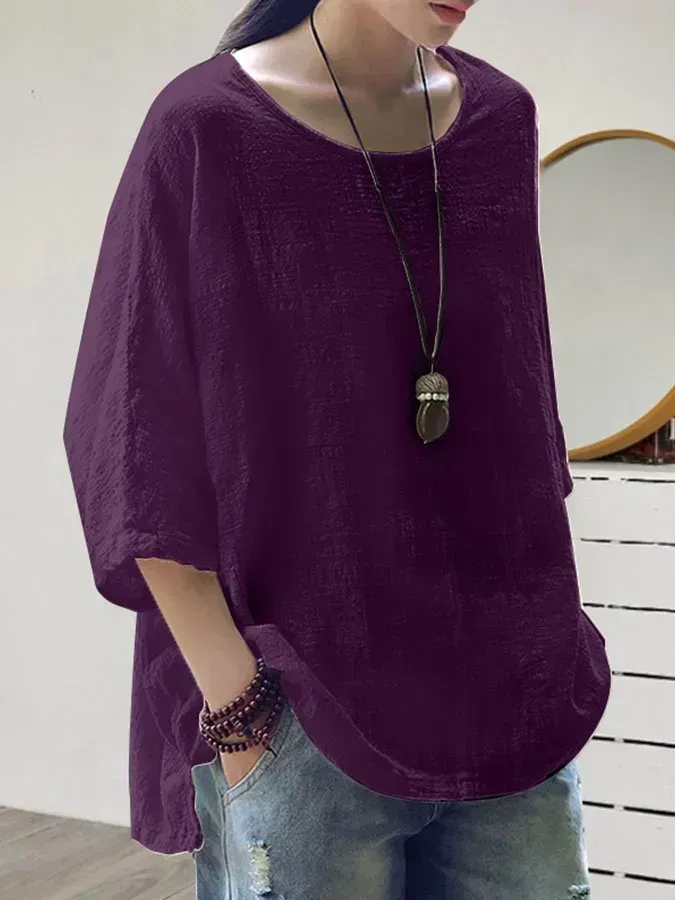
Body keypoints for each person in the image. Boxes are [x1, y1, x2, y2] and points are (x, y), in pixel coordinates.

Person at [62, 0, 612, 896]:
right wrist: (239, 706)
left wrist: (544, 632)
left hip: (511, 698)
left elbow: (518, 395)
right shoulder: (204, 127)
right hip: (302, 706)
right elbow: (130, 431)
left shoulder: (501, 120)